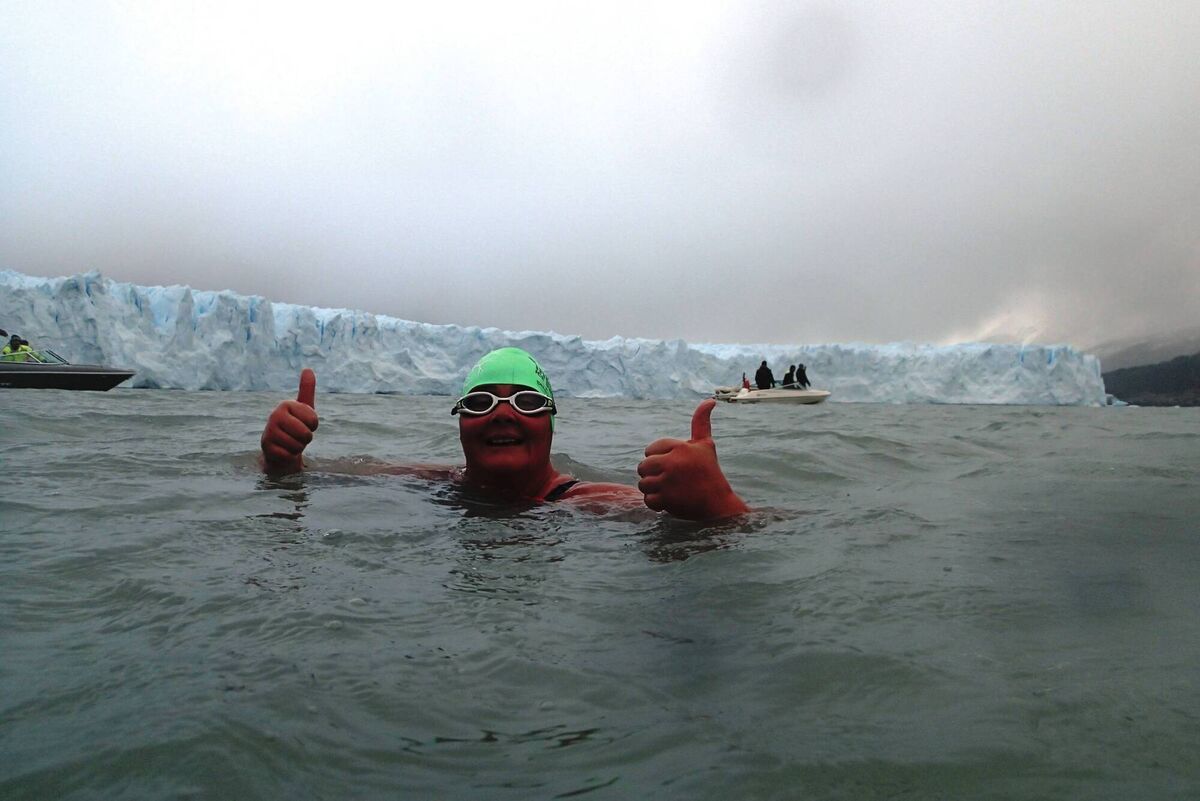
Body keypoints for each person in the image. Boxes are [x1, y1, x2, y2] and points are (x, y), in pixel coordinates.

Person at [260, 347, 749, 521]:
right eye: (479, 403)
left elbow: (768, 528)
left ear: (550, 422)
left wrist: (719, 507)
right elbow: (319, 476)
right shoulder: (435, 483)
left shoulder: (591, 504)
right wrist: (282, 462)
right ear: (460, 423)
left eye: (528, 402)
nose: (502, 415)